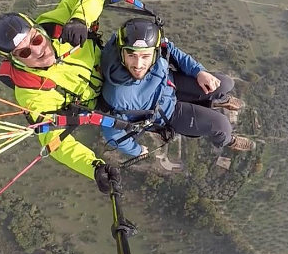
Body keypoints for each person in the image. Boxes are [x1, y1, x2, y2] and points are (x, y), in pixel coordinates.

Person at [0, 0, 119, 193]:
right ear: (14, 60)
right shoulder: (30, 92)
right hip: (104, 102)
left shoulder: (55, 23)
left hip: (113, 65)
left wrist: (79, 19)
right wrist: (93, 167)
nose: (37, 50)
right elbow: (53, 141)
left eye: (36, 40)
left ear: (38, 29)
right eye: (24, 52)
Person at [100, 17, 254, 157]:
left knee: (226, 83)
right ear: (121, 53)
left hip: (171, 83)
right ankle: (229, 141)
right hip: (166, 113)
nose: (139, 65)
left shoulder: (152, 43)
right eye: (132, 56)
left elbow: (172, 50)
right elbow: (113, 133)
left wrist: (198, 71)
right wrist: (137, 151)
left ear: (154, 52)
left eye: (145, 56)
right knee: (222, 126)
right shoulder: (117, 95)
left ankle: (216, 100)